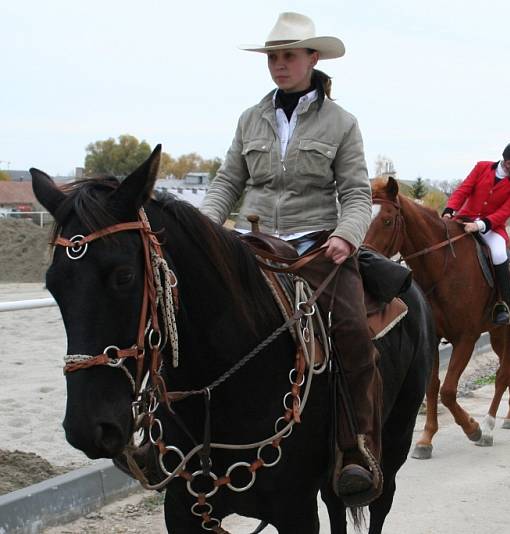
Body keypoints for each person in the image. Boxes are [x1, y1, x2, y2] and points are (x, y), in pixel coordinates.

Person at [200, 12, 382, 506]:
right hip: (252, 241)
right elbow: (226, 183)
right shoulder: (249, 119)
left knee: (353, 333)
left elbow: (357, 194)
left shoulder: (342, 123)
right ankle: (175, 437)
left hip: (314, 244)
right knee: (188, 314)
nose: (279, 65)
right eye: (274, 57)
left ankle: (355, 448)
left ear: (312, 59)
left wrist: (346, 236)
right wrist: (205, 227)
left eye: (289, 56)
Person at [441, 141, 510, 325]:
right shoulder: (482, 167)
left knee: (499, 254)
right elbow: (463, 189)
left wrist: (482, 225)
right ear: (509, 164)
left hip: (492, 228)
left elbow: (506, 211)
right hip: (463, 219)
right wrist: (449, 210)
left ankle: (503, 303)